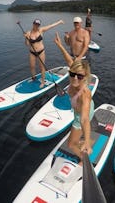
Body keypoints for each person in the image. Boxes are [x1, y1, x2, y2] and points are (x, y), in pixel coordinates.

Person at [54, 32, 94, 160]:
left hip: (81, 114)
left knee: (71, 144)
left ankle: (84, 157)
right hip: (79, 109)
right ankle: (84, 139)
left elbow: (84, 119)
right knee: (76, 137)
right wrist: (60, 45)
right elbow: (68, 58)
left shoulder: (84, 94)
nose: (75, 78)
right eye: (72, 74)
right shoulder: (75, 71)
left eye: (80, 76)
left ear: (85, 77)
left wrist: (87, 141)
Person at [24, 19, 64, 88]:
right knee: (32, 67)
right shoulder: (28, 33)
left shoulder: (41, 30)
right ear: (33, 24)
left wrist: (59, 22)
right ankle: (33, 78)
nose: (36, 26)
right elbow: (27, 44)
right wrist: (26, 38)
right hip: (32, 52)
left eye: (38, 25)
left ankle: (42, 82)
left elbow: (51, 26)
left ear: (39, 25)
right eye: (35, 24)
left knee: (42, 67)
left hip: (41, 52)